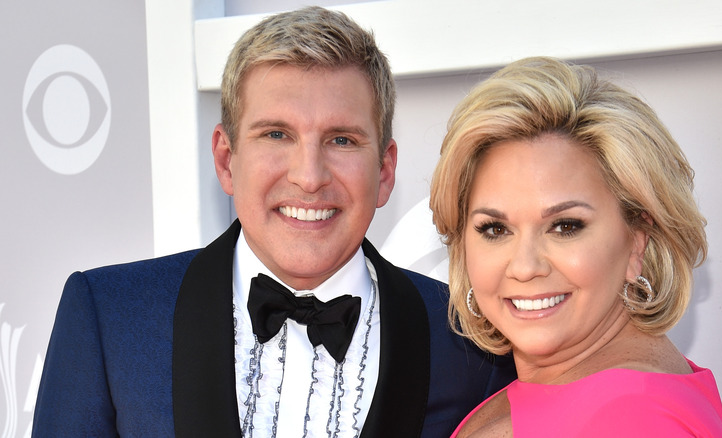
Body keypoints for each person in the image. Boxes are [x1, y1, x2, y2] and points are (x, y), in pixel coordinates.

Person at [32, 7, 515, 437]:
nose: (308, 177)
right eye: (277, 134)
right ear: (226, 158)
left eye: (342, 140)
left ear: (385, 171)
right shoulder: (109, 316)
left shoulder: (473, 344)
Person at [429, 57, 722, 437]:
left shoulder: (634, 420)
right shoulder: (572, 386)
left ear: (638, 241)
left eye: (565, 226)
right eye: (495, 229)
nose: (524, 266)